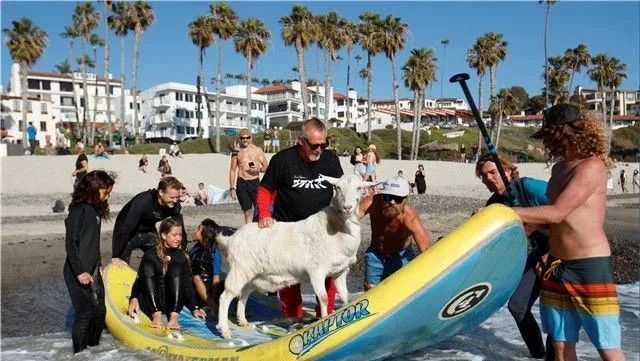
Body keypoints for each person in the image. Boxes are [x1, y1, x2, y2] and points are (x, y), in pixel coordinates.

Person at [513, 104, 625, 361]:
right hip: (556, 265)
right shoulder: (558, 169)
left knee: (607, 346)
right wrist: (537, 239)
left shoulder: (591, 166)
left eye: (550, 136)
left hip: (589, 266)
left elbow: (558, 212)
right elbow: (556, 223)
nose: (547, 144)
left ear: (567, 132)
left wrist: (505, 213)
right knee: (561, 346)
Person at [256, 117, 343, 319]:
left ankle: (325, 314)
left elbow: (340, 190)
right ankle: (293, 318)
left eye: (324, 144)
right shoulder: (282, 160)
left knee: (328, 273)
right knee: (289, 276)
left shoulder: (330, 160)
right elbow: (265, 190)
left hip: (322, 230)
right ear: (300, 140)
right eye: (314, 145)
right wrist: (265, 214)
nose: (319, 150)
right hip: (289, 229)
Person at [475, 153, 554, 359]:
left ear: (507, 171)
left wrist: (550, 253)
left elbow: (567, 212)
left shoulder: (529, 186)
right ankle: (538, 355)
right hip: (537, 255)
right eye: (484, 176)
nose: (489, 179)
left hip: (562, 251)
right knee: (518, 306)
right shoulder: (494, 203)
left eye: (493, 172)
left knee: (556, 312)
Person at [63, 170, 115, 353]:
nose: (107, 196)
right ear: (94, 187)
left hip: (92, 270)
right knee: (84, 313)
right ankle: (79, 354)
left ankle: (93, 351)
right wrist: (80, 271)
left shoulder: (95, 211)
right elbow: (71, 243)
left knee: (100, 312)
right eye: (105, 191)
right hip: (76, 271)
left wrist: (98, 266)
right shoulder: (79, 210)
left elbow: (93, 243)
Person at [127, 218, 206, 329]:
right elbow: (140, 280)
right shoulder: (150, 254)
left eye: (180, 235)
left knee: (176, 267)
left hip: (172, 304)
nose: (178, 238)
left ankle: (174, 318)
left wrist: (195, 307)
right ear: (164, 235)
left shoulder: (182, 256)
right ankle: (156, 315)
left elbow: (188, 286)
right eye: (174, 235)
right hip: (152, 302)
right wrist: (133, 298)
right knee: (149, 265)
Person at [357, 176, 432, 290]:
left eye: (397, 199)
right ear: (381, 195)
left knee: (406, 290)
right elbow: (348, 220)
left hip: (402, 255)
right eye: (388, 197)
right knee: (370, 290)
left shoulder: (408, 215)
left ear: (404, 199)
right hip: (376, 253)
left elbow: (426, 248)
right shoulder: (372, 203)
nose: (392, 202)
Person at [111, 176, 188, 266]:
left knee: (161, 259)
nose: (175, 201)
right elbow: (126, 227)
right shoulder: (144, 201)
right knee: (121, 264)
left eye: (177, 197)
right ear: (161, 192)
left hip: (148, 229)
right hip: (127, 231)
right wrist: (116, 255)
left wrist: (183, 250)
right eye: (172, 197)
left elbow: (179, 227)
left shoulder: (175, 205)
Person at [229, 129, 268, 223]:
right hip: (241, 182)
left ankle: (259, 233)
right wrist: (232, 188)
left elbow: (266, 167)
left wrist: (258, 169)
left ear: (251, 137)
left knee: (259, 210)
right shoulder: (236, 152)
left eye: (247, 137)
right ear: (239, 138)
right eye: (243, 138)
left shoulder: (257, 150)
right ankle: (249, 234)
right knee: (248, 212)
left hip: (254, 182)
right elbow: (233, 170)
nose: (245, 140)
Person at [189, 218, 225, 314]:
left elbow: (216, 279)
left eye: (197, 228)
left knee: (234, 280)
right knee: (196, 277)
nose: (194, 230)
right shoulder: (195, 248)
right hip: (194, 287)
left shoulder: (214, 251)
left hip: (209, 288)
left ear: (202, 231)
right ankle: (212, 305)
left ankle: (214, 306)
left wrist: (214, 297)